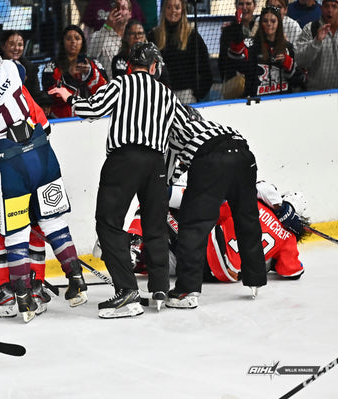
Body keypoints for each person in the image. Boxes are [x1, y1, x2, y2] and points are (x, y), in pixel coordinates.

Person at [48, 42, 186, 318]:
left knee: (109, 224)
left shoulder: (121, 84)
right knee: (155, 225)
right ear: (155, 67)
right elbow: (180, 132)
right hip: (156, 163)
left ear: (130, 65)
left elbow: (92, 109)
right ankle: (159, 289)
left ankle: (127, 291)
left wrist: (69, 96)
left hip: (123, 161)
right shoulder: (167, 94)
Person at [0, 44, 88, 322]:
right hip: (40, 149)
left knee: (17, 232)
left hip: (9, 161)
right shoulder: (10, 68)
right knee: (53, 222)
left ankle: (23, 299)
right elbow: (19, 72)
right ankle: (77, 281)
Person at [164, 105, 267, 309]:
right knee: (247, 219)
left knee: (194, 225)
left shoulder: (175, 134)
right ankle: (255, 279)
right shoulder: (214, 126)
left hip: (212, 161)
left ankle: (186, 290)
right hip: (244, 157)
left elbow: (168, 174)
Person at [125, 180, 307, 286]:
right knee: (175, 257)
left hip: (207, 251)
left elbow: (210, 213)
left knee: (155, 200)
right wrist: (272, 261)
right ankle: (141, 258)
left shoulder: (250, 203)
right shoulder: (288, 238)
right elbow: (293, 271)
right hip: (219, 276)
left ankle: (134, 245)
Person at [229, 5, 304, 96]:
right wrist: (237, 30)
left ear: (278, 24)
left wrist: (288, 63)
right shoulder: (251, 46)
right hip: (257, 101)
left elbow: (298, 81)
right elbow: (237, 63)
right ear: (261, 23)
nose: (269, 24)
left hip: (282, 101)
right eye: (265, 21)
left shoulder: (287, 47)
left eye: (273, 21)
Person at [147, 0, 212, 103]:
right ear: (164, 10)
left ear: (182, 11)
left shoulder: (193, 37)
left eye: (177, 7)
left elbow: (206, 71)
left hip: (186, 95)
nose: (173, 11)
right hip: (161, 95)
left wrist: (197, 93)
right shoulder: (154, 36)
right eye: (169, 7)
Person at [42, 25, 108, 118]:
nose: (73, 41)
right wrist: (68, 76)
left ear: (82, 42)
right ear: (63, 42)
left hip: (90, 118)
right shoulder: (52, 67)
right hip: (61, 121)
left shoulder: (93, 65)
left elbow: (104, 93)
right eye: (68, 38)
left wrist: (89, 74)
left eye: (77, 38)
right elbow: (52, 98)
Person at [219, 0, 259, 99]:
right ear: (236, 6)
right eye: (241, 4)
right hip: (235, 89)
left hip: (256, 86)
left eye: (248, 4)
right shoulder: (228, 31)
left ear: (255, 6)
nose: (244, 7)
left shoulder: (261, 29)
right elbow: (222, 62)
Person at [295, 0, 338, 91]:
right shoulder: (310, 29)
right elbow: (299, 60)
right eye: (327, 6)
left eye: (334, 6)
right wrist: (316, 42)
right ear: (321, 8)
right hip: (315, 94)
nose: (330, 10)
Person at [87, 0, 133, 79]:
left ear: (130, 13)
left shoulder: (133, 36)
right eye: (117, 8)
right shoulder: (99, 35)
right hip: (107, 86)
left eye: (123, 8)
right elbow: (91, 55)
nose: (120, 12)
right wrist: (107, 26)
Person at [0, 30, 41, 100]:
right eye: (12, 44)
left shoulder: (31, 69)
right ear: (3, 46)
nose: (16, 48)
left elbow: (36, 96)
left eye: (20, 45)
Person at [81, 0, 146, 37]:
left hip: (126, 48)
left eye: (123, 8)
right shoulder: (95, 3)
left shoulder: (131, 3)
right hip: (101, 46)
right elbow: (87, 31)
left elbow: (139, 28)